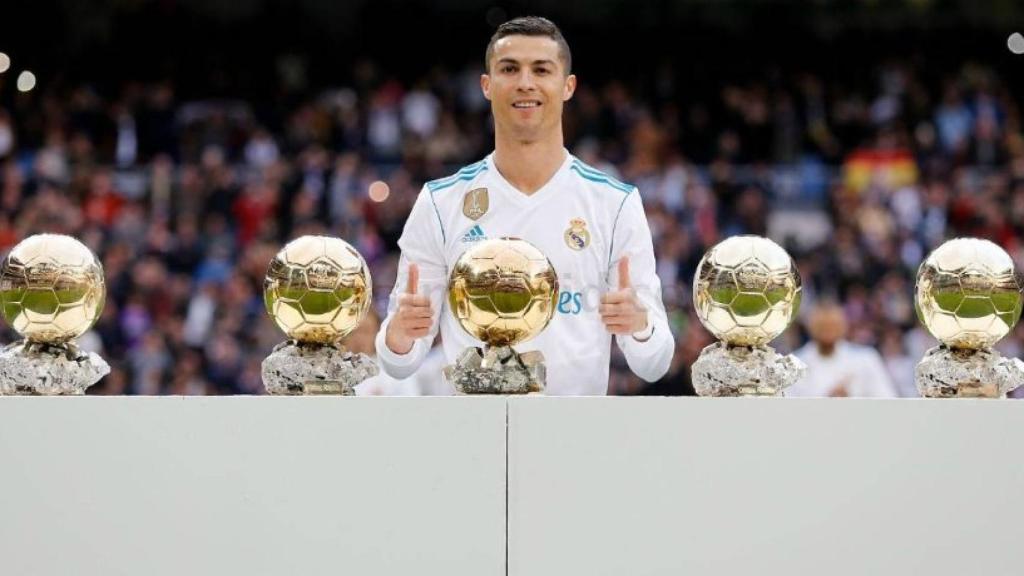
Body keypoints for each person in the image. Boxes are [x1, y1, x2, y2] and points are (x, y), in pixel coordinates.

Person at [374, 16, 674, 394]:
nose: (525, 82)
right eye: (509, 69)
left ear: (568, 86)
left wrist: (640, 326)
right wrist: (400, 334)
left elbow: (654, 363)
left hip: (573, 438)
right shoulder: (441, 201)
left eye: (541, 69)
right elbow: (398, 361)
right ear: (487, 85)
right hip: (472, 435)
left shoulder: (613, 203)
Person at [788, 303, 897, 397]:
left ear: (843, 327)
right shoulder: (794, 364)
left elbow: (887, 399)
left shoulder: (866, 359)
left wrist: (850, 398)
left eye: (832, 326)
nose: (828, 332)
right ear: (811, 327)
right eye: (823, 327)